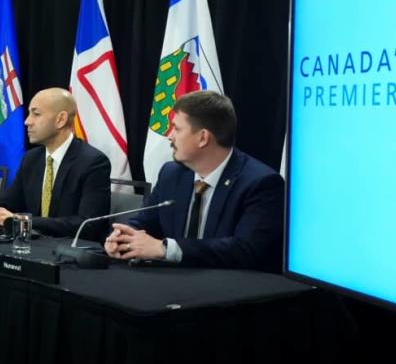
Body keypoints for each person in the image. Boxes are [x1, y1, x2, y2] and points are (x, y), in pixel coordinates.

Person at [104, 91, 284, 272]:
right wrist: (123, 237)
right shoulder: (171, 173)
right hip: (173, 286)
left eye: (177, 128)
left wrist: (167, 249)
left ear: (203, 138)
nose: (170, 136)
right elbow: (145, 220)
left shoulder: (261, 183)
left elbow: (244, 250)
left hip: (230, 290)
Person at [0, 88, 111, 240]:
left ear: (60, 120)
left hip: (69, 252)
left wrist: (22, 221)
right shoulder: (31, 159)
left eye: (36, 114)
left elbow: (87, 224)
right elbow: (8, 203)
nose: (27, 121)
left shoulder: (93, 162)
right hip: (32, 247)